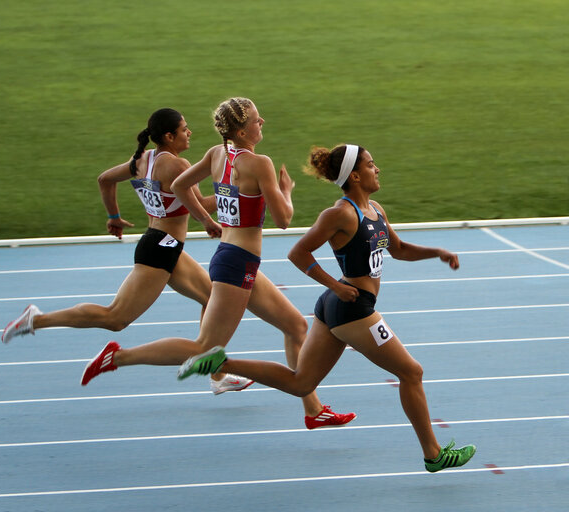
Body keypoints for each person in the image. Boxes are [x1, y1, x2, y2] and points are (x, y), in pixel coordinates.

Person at [177, 143, 477, 472]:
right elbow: (298, 253)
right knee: (412, 372)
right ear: (356, 175)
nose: (378, 170)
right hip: (353, 307)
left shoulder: (375, 210)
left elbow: (400, 249)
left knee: (301, 383)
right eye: (372, 165)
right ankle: (433, 454)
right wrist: (334, 284)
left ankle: (222, 361)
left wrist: (438, 252)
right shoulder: (340, 214)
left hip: (338, 307)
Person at [81, 97, 355, 430]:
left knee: (296, 326)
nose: (262, 122)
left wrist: (207, 219)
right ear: (241, 131)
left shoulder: (216, 154)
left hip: (234, 259)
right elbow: (283, 219)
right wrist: (286, 191)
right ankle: (119, 357)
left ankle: (313, 410)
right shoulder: (260, 164)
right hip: (237, 263)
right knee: (204, 348)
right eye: (256, 120)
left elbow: (181, 187)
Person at [1, 107, 252, 395]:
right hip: (160, 251)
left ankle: (216, 374)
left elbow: (104, 179)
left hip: (162, 244)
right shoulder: (177, 166)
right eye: (185, 129)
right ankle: (37, 319)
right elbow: (198, 204)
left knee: (211, 298)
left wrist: (113, 216)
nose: (189, 133)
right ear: (169, 136)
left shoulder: (143, 160)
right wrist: (232, 194)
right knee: (115, 318)